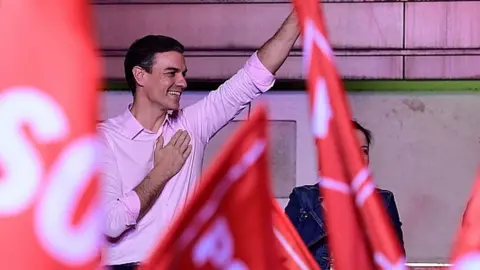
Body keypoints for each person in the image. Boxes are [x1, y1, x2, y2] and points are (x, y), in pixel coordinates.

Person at [98, 11, 300, 269]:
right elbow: (111, 224)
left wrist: (300, 16)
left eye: (183, 73)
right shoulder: (105, 138)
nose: (182, 82)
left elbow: (252, 77)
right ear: (140, 76)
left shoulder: (192, 125)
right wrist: (161, 172)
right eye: (171, 73)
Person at [284, 120, 405, 270]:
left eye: (364, 151)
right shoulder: (303, 197)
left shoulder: (383, 201)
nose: (359, 157)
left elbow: (395, 259)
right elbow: (286, 252)